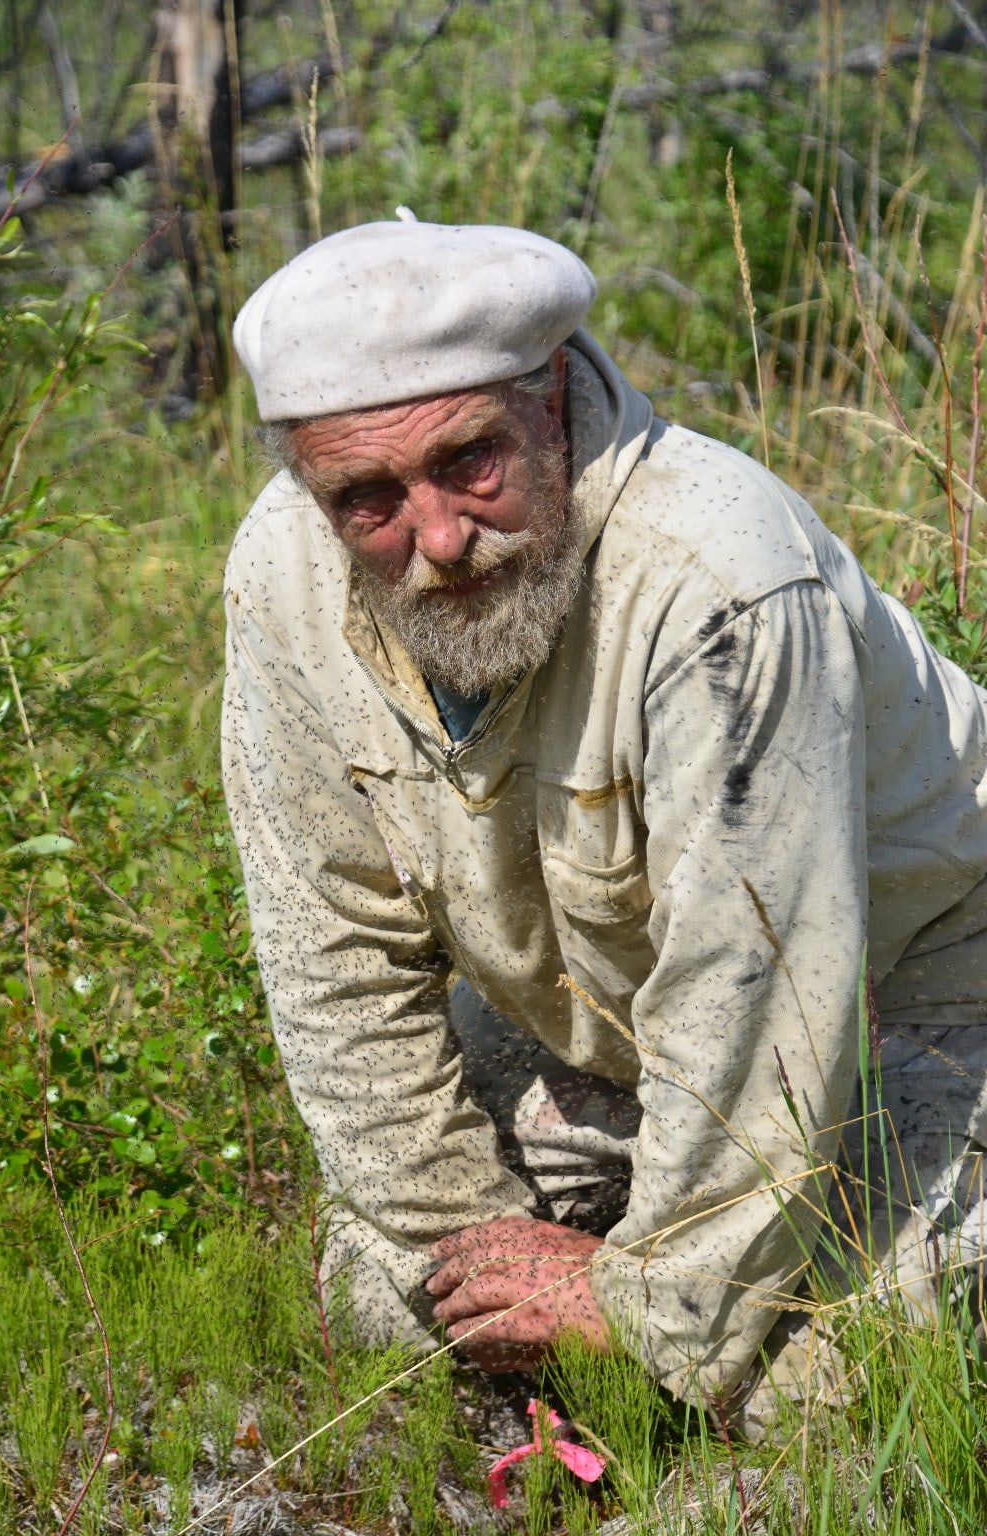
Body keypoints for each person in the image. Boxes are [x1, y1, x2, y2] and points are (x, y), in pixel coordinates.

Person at [222, 215, 987, 1435]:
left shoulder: (716, 578)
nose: (434, 541)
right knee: (385, 1296)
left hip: (920, 988)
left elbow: (764, 996)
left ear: (555, 400)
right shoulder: (284, 571)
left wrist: (648, 1307)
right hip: (611, 1022)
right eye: (365, 498)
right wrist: (476, 1257)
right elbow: (332, 954)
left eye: (469, 461)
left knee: (851, 1375)